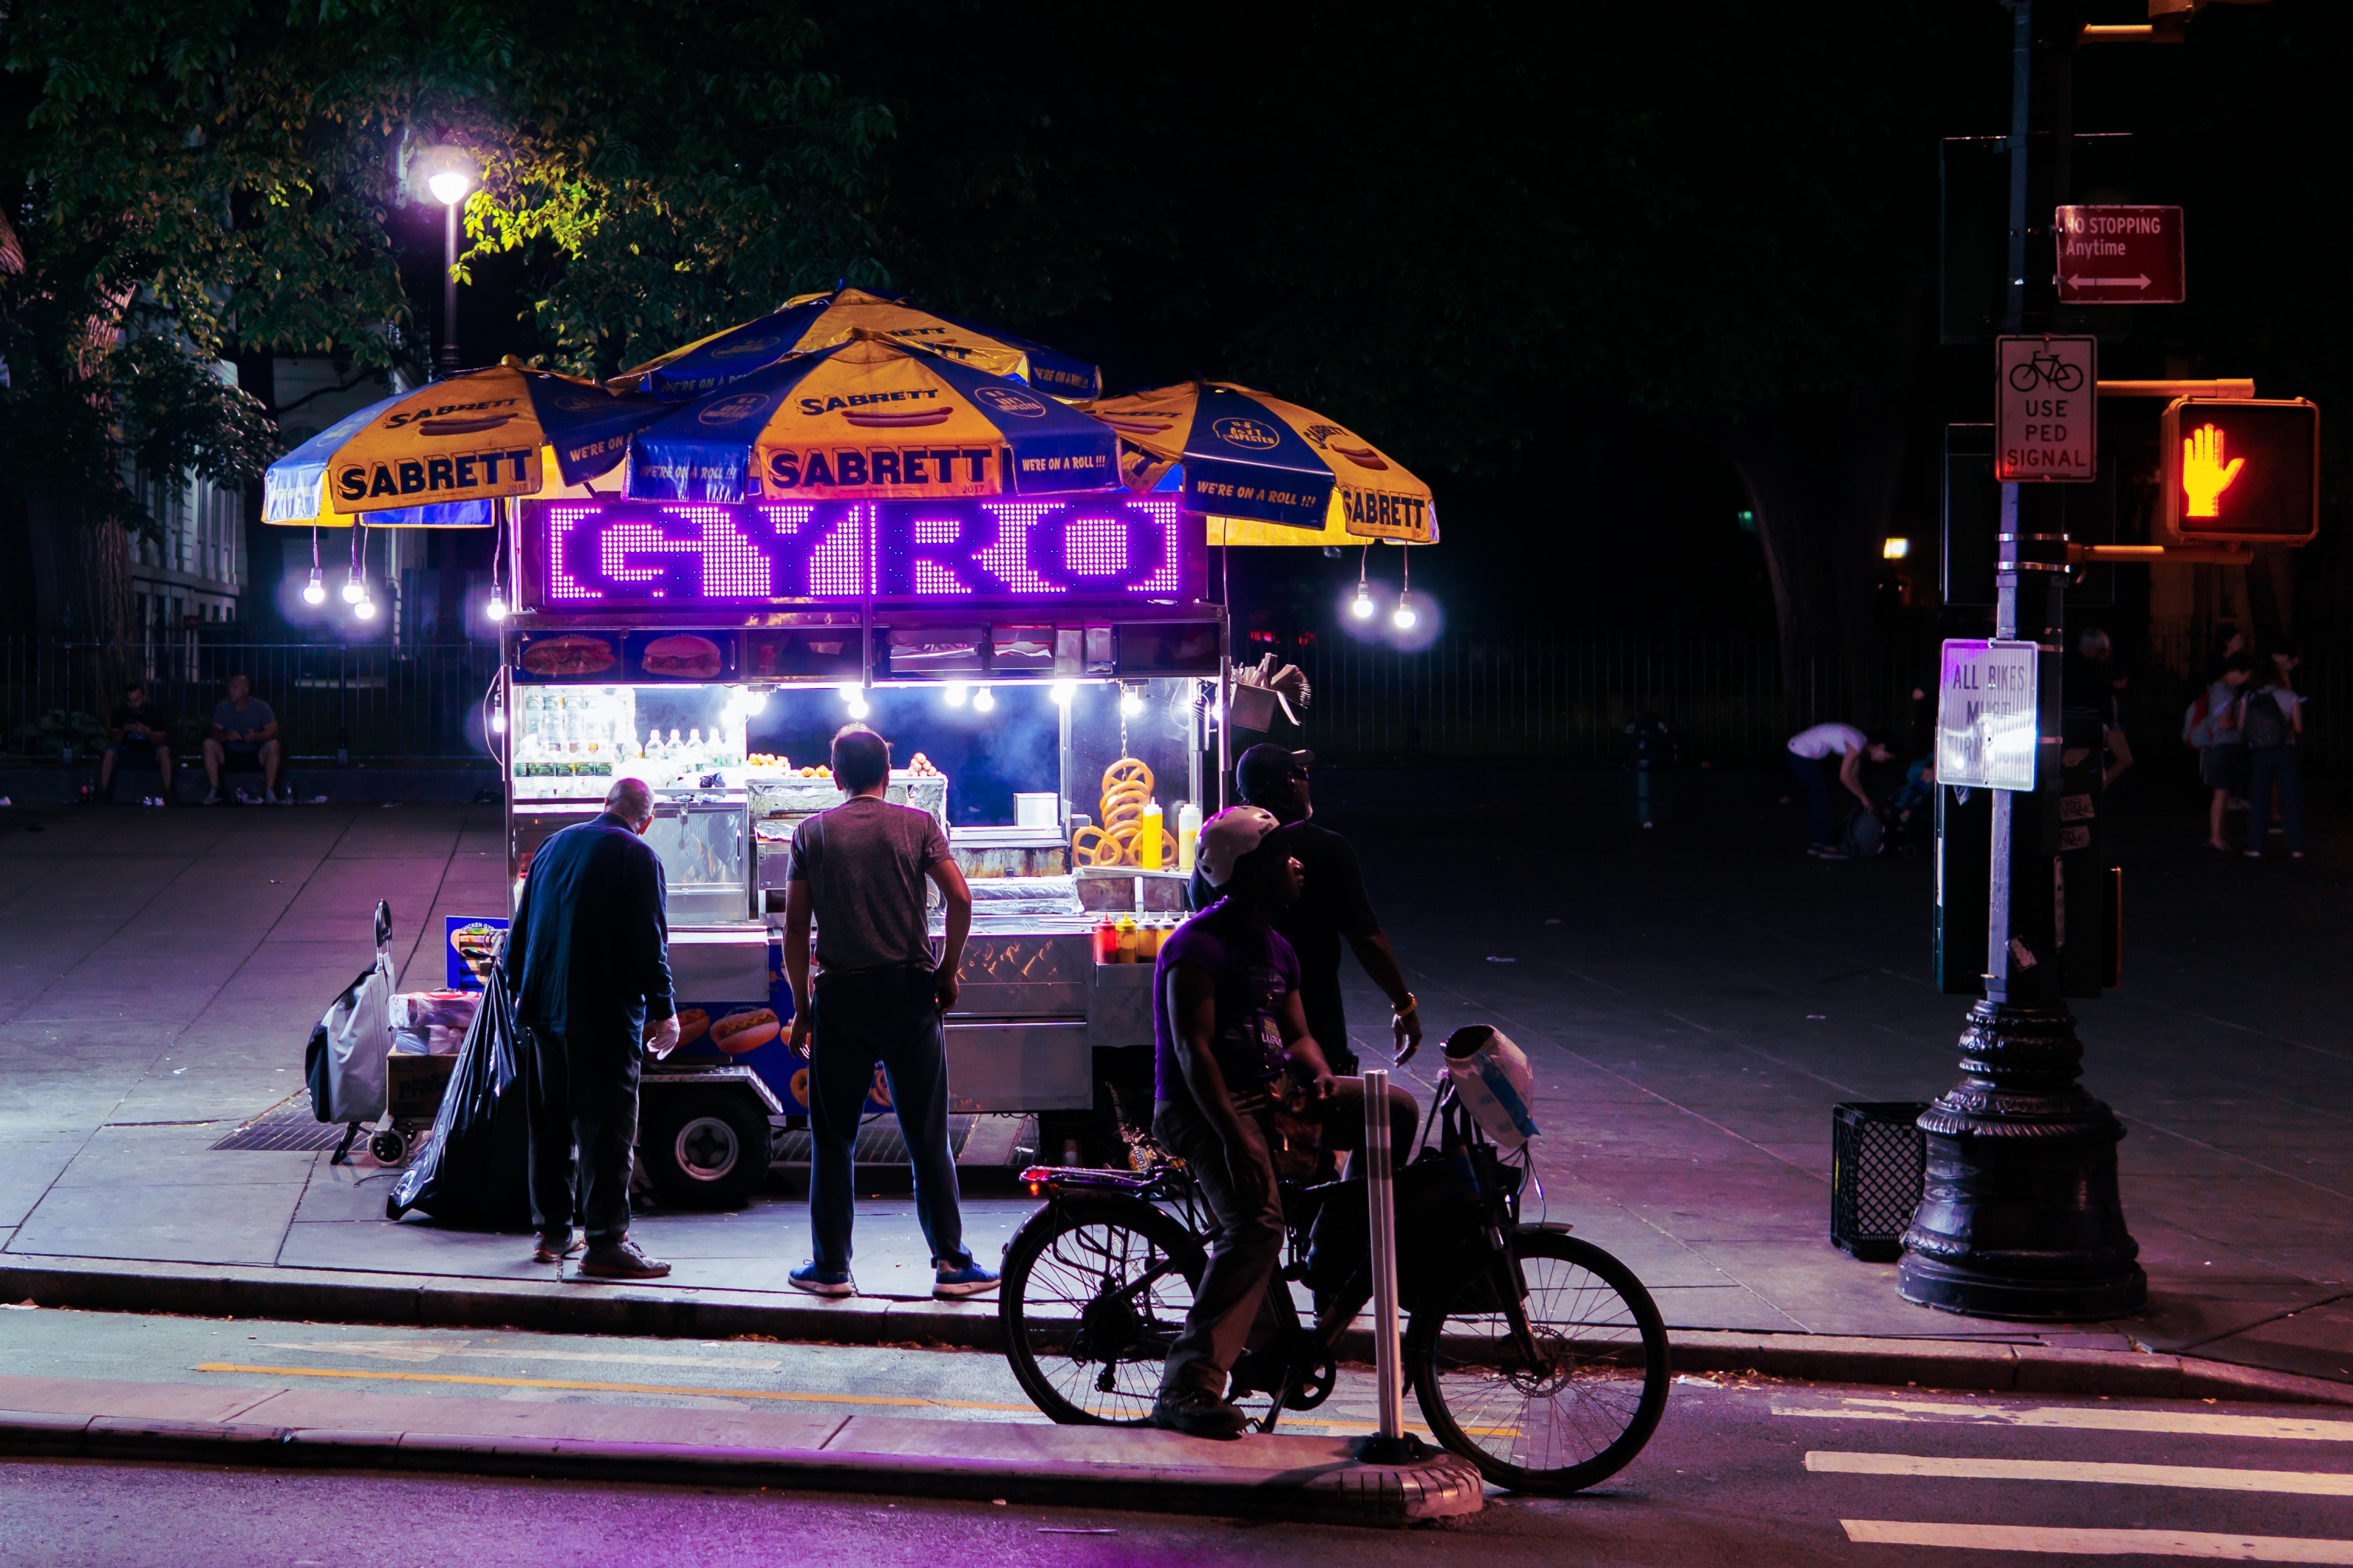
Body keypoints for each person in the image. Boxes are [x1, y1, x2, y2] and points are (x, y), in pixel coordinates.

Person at [1150, 806, 1418, 1439]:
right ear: (1246, 873)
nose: (1296, 865)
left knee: (1396, 1110)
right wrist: (1237, 1137)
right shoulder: (1196, 947)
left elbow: (1297, 1036)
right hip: (1200, 1106)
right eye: (1280, 858)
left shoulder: (1278, 947)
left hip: (1267, 1094)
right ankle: (1187, 1385)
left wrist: (1320, 1073)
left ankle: (1334, 1251)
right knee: (1255, 1225)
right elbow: (1196, 1054)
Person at [782, 724, 994, 1301]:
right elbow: (961, 897)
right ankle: (951, 1263)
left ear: (835, 774)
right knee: (927, 1135)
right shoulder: (918, 824)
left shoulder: (812, 832)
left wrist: (802, 1008)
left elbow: (797, 926)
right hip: (909, 991)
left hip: (842, 996)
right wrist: (947, 970)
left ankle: (829, 1268)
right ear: (887, 774)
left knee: (833, 1138)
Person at [504, 776, 682, 1281]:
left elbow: (519, 933)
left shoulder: (552, 846)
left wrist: (520, 989)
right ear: (645, 821)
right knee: (607, 1130)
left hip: (543, 1012)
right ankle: (606, 1242)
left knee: (551, 1125)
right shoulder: (637, 855)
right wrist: (664, 1010)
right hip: (601, 1015)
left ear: (604, 804)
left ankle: (552, 1234)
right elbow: (651, 943)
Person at [1198, 744, 1423, 1073]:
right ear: (1290, 782)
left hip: (1236, 1019)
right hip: (1316, 1013)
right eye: (1303, 774)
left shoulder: (1217, 852)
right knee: (1323, 1102)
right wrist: (1405, 1005)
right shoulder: (1327, 848)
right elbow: (1365, 935)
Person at [1785, 722, 1891, 859]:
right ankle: (1826, 846)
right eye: (1886, 756)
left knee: (1818, 797)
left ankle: (1817, 842)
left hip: (1801, 751)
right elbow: (1844, 777)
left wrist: (1864, 797)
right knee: (1821, 797)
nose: (1883, 761)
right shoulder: (1857, 744)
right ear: (1881, 746)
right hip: (1800, 752)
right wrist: (1863, 798)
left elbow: (1853, 777)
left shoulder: (1861, 743)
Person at [2241, 661, 2305, 860]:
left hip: (2259, 753)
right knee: (2289, 798)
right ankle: (2296, 847)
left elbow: (2242, 726)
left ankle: (2255, 846)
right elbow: (2298, 728)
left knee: (2259, 797)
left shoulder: (2249, 697)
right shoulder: (2290, 696)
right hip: (2285, 750)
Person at [2196, 655, 2255, 852]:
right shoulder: (2223, 690)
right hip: (2222, 745)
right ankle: (2216, 836)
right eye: (2246, 675)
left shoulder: (2223, 689)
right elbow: (2223, 723)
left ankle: (2219, 835)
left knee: (2223, 791)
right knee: (2222, 791)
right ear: (2236, 671)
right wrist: (2241, 721)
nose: (2246, 679)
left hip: (2222, 745)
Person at [2064, 628, 2132, 790]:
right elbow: (2101, 694)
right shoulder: (2091, 671)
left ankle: (2095, 787)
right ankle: (2097, 788)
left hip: (2092, 722)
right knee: (2124, 758)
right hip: (2097, 722)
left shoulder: (2076, 666)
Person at [204, 674, 286, 804]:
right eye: (230, 688)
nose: (230, 691)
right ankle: (216, 791)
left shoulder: (261, 707)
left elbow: (273, 731)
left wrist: (256, 736)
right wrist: (226, 736)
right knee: (208, 744)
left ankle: (269, 792)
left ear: (246, 690)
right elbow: (214, 732)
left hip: (254, 753)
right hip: (230, 753)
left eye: (235, 688)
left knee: (273, 745)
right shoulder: (223, 706)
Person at [99, 682, 175, 804]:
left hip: (149, 754)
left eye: (136, 700)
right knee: (110, 751)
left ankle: (168, 792)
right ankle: (103, 792)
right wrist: (123, 730)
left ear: (143, 698)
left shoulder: (154, 712)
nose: (133, 705)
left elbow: (162, 739)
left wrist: (147, 732)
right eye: (130, 701)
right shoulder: (120, 713)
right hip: (127, 753)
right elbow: (113, 739)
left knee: (164, 751)